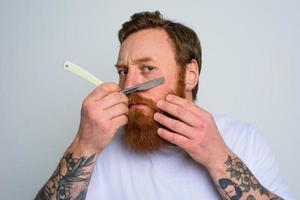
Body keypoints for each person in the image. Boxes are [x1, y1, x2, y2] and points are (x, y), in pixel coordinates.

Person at [35, 11, 292, 200]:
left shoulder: (243, 140)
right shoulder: (99, 147)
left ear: (190, 75)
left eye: (147, 68)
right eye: (123, 71)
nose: (129, 85)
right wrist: (84, 144)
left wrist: (217, 158)